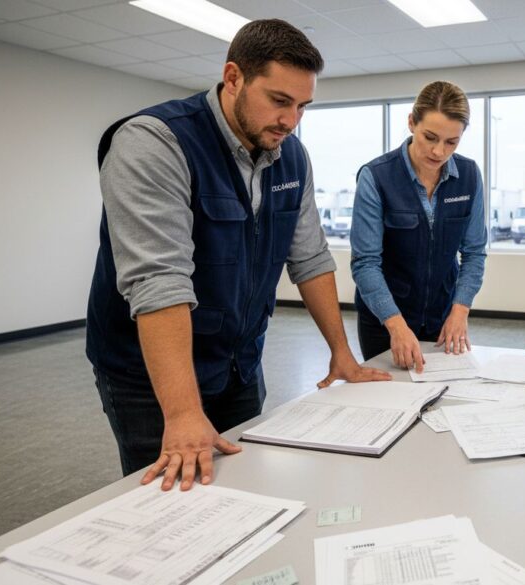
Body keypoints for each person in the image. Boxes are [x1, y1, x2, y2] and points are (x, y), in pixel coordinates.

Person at [86, 19, 390, 492]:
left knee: (243, 489)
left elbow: (309, 257)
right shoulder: (154, 142)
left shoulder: (290, 156)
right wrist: (184, 412)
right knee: (171, 499)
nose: (290, 121)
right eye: (279, 100)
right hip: (150, 376)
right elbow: (159, 281)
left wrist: (341, 354)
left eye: (303, 106)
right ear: (233, 78)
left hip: (238, 362)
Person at [350, 81, 487, 371]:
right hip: (384, 320)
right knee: (391, 400)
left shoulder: (470, 176)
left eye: (451, 142)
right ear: (412, 122)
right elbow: (365, 263)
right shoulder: (376, 177)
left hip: (442, 315)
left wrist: (460, 309)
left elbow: (474, 253)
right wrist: (396, 326)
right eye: (430, 137)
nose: (439, 151)